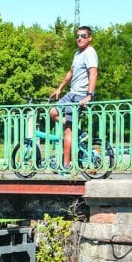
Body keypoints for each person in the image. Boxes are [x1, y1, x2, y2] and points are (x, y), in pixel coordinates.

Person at [50, 26, 98, 168]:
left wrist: (89, 95)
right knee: (52, 112)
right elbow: (70, 73)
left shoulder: (90, 53)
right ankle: (80, 133)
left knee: (68, 130)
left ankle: (66, 165)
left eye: (83, 36)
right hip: (71, 94)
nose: (79, 38)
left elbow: (93, 73)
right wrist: (59, 89)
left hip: (80, 96)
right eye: (78, 36)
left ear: (89, 38)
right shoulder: (77, 54)